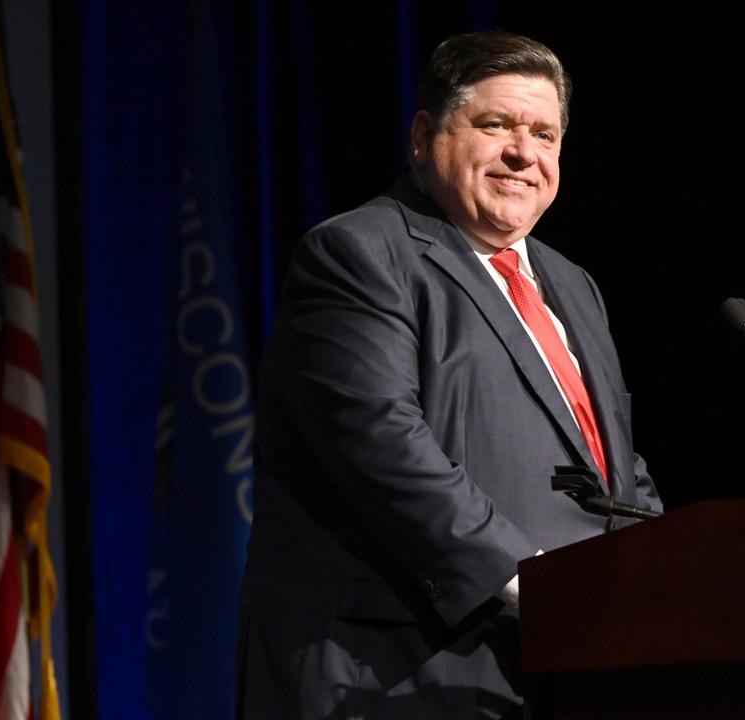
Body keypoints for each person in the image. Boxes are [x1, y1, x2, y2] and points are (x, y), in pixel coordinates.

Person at [236, 31, 662, 719]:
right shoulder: (357, 254)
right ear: (423, 137)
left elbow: (612, 469)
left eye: (545, 134)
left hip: (559, 670)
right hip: (393, 676)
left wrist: (665, 577)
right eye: (496, 125)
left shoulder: (572, 285)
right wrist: (536, 586)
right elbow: (384, 446)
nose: (524, 153)